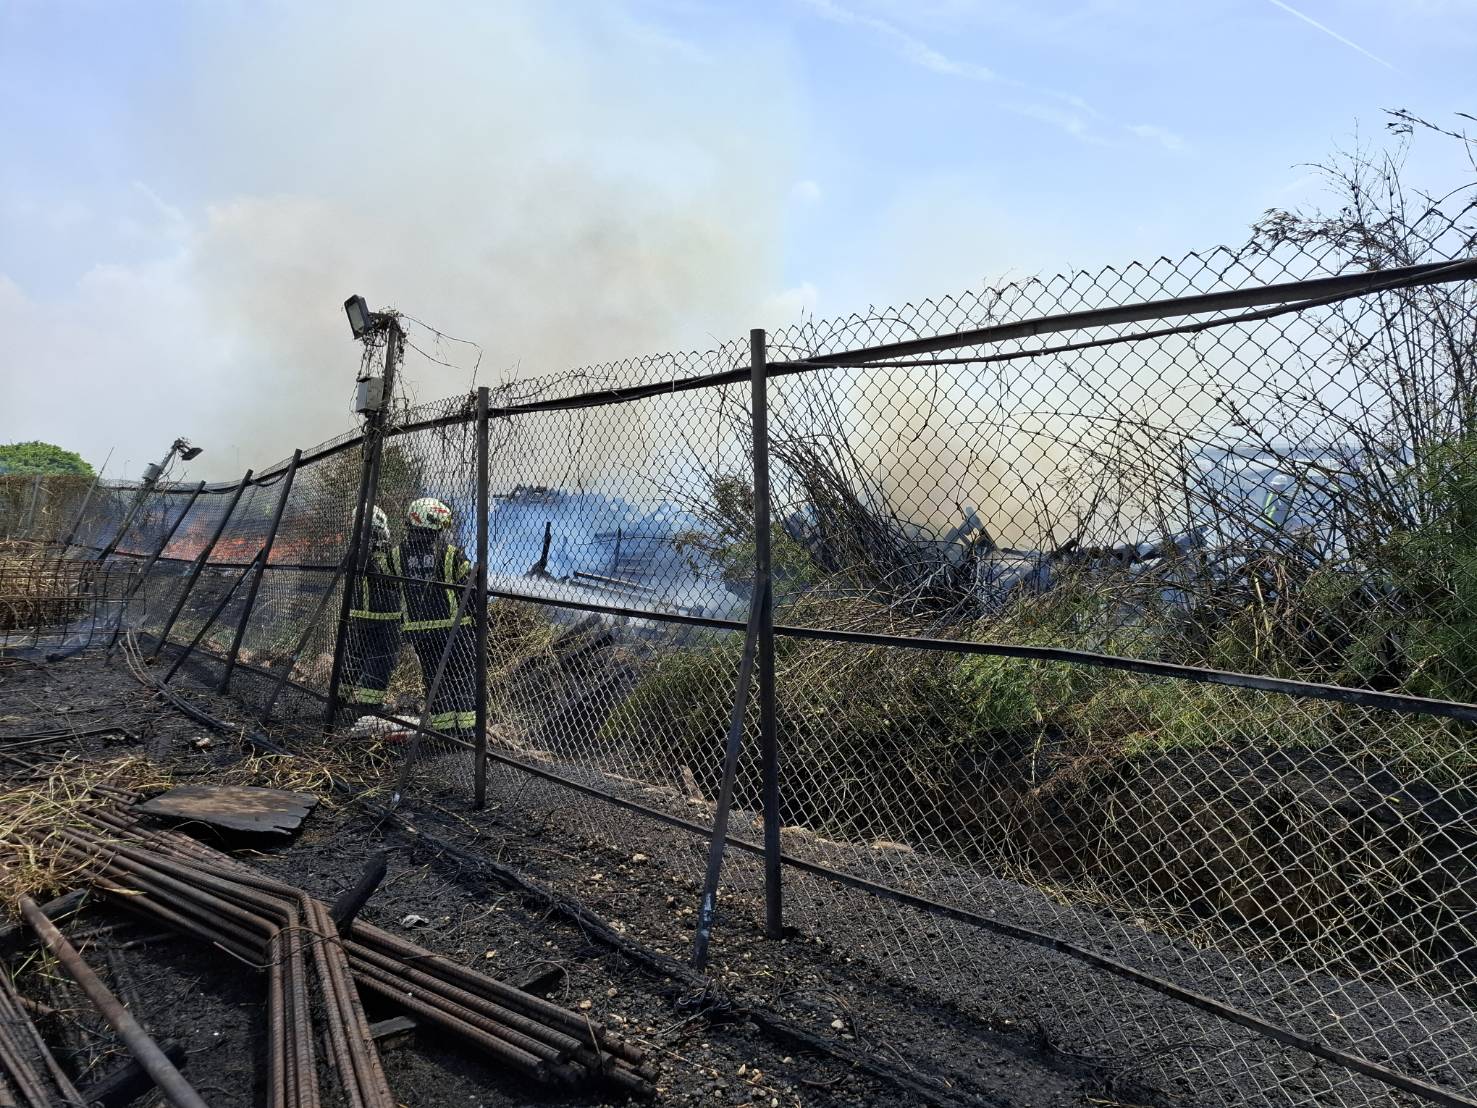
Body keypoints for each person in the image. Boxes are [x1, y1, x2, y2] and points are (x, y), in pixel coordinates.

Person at [390, 496, 478, 742]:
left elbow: (384, 574)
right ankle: (467, 731)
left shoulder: (397, 554)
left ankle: (444, 730)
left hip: (419, 630)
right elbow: (468, 585)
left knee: (434, 677)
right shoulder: (449, 554)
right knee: (462, 675)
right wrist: (476, 617)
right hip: (453, 627)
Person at [343, 505, 402, 709]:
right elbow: (389, 579)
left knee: (352, 658)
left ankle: (339, 699)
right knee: (380, 661)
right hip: (385, 616)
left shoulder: (355, 549)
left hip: (358, 614)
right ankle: (369, 707)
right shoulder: (379, 552)